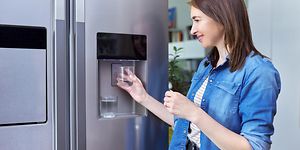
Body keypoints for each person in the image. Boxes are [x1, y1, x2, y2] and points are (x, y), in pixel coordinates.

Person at [117, 0, 281, 149]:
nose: (193, 30)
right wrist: (143, 97)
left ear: (222, 17)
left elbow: (254, 146)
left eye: (197, 20)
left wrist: (194, 113)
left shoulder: (259, 72)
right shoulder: (207, 64)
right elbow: (184, 124)